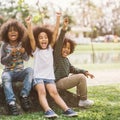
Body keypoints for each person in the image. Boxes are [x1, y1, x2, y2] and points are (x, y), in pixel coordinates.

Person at [25, 14, 78, 118]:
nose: (43, 39)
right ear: (37, 40)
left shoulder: (50, 48)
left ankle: (66, 109)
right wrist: (29, 24)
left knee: (54, 93)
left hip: (49, 77)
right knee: (42, 91)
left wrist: (58, 18)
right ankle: (48, 110)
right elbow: (31, 37)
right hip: (38, 77)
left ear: (48, 39)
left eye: (45, 37)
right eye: (40, 38)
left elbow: (55, 33)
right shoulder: (36, 50)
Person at [0, 19, 33, 115]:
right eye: (10, 30)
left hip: (20, 72)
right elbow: (2, 61)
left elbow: (26, 59)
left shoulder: (22, 43)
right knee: (5, 77)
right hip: (8, 72)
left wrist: (23, 53)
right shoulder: (4, 46)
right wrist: (10, 54)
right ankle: (11, 103)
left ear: (19, 33)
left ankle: (24, 95)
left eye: (15, 30)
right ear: (6, 33)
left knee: (30, 70)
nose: (13, 32)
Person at [54, 32, 95, 108]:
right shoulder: (56, 56)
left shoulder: (66, 60)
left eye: (69, 48)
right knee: (80, 77)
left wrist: (85, 72)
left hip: (63, 81)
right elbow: (59, 42)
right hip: (57, 83)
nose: (66, 49)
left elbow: (73, 69)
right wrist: (63, 30)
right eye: (64, 47)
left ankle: (79, 98)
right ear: (59, 48)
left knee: (80, 75)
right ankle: (83, 100)